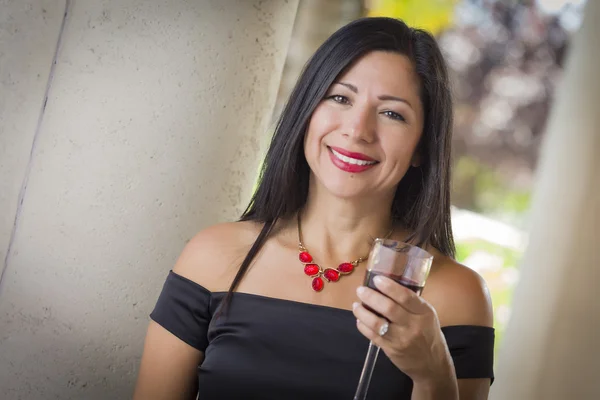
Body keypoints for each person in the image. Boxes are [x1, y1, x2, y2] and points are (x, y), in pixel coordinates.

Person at [134, 17, 494, 400]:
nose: (357, 130)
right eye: (340, 98)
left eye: (392, 113)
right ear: (307, 111)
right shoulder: (212, 257)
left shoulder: (456, 295)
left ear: (422, 146)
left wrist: (434, 374)